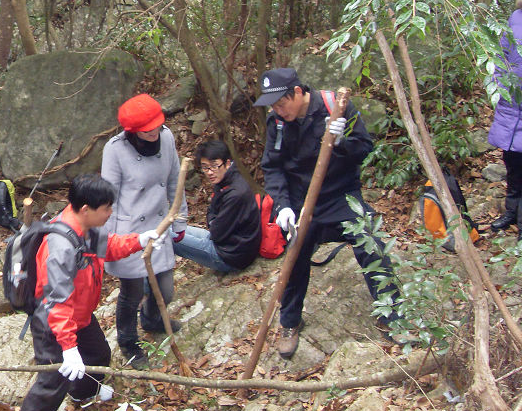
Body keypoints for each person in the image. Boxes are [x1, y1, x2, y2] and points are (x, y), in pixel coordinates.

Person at [255, 68, 400, 359]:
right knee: (295, 257)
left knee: (372, 243)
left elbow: (364, 148)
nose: (277, 111)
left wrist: (340, 141)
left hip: (340, 194)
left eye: (281, 103)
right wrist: (282, 205)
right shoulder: (278, 122)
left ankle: (393, 314)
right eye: (273, 106)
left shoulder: (336, 106)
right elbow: (273, 167)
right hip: (300, 201)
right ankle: (290, 321)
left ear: (297, 92)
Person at [14, 174, 164, 411]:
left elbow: (108, 246)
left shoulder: (84, 228)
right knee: (51, 384)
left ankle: (82, 392)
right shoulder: (60, 245)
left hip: (81, 314)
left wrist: (139, 241)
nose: (110, 213)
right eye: (106, 208)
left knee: (98, 355)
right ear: (86, 209)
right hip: (53, 323)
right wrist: (69, 349)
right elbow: (56, 302)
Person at [101, 94, 187, 370]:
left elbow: (175, 180)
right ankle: (128, 342)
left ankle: (151, 319)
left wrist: (180, 220)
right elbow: (107, 199)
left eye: (157, 127)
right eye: (148, 130)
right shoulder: (115, 150)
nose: (155, 133)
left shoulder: (168, 138)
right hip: (129, 230)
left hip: (159, 224)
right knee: (132, 292)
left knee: (166, 288)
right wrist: (105, 241)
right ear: (133, 131)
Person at [172, 140, 261, 272]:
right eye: (205, 167)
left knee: (165, 237)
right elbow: (212, 214)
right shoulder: (225, 180)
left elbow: (216, 232)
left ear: (227, 163)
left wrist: (213, 221)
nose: (209, 172)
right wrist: (214, 220)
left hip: (232, 256)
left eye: (214, 166)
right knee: (170, 227)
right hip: (228, 243)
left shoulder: (236, 193)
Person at [488, 0, 522, 240]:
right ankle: (511, 212)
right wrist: (497, 88)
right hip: (511, 107)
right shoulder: (515, 19)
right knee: (512, 164)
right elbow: (500, 57)